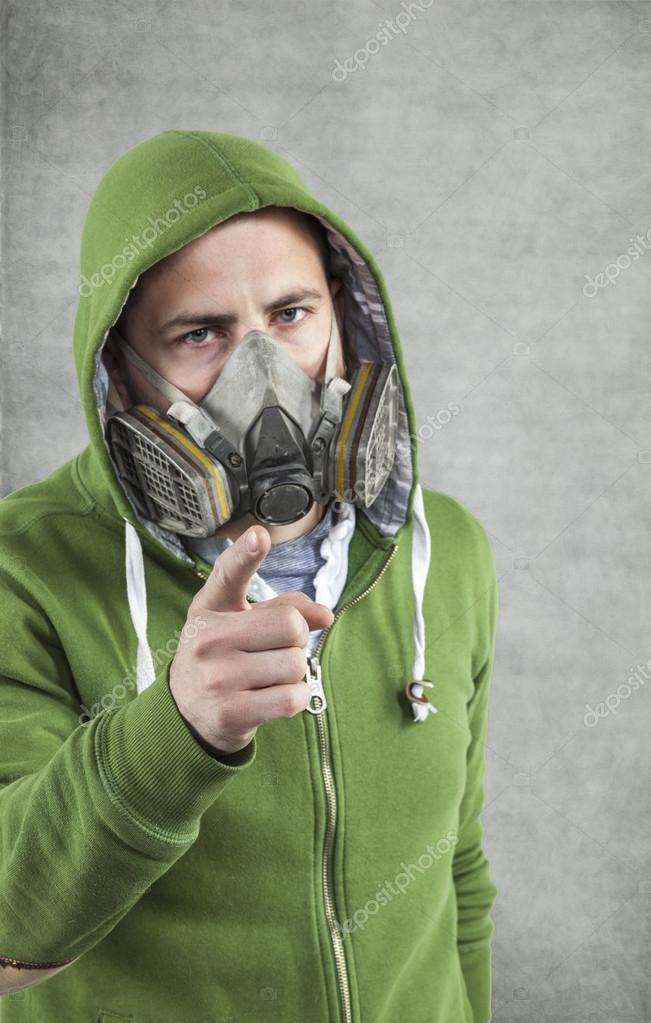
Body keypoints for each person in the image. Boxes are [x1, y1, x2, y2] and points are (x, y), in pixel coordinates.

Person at [0, 130, 499, 1023]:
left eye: (291, 316)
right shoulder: (24, 572)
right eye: (203, 333)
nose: (264, 374)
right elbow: (9, 937)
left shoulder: (445, 551)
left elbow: (457, 876)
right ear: (120, 371)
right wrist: (174, 733)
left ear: (346, 314)